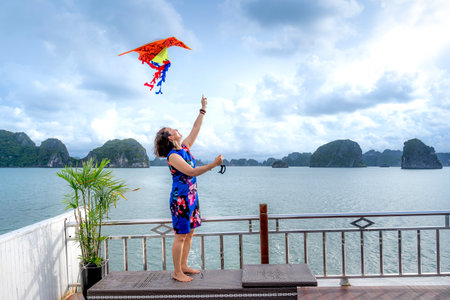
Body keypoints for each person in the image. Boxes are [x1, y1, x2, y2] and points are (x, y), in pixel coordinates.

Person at [153, 94, 223, 282]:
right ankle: (177, 272)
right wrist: (213, 164)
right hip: (181, 200)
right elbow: (191, 172)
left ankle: (183, 266)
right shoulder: (173, 156)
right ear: (169, 138)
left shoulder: (184, 147)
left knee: (190, 233)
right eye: (172, 129)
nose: (176, 129)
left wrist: (203, 109)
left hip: (191, 198)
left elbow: (196, 127)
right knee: (180, 236)